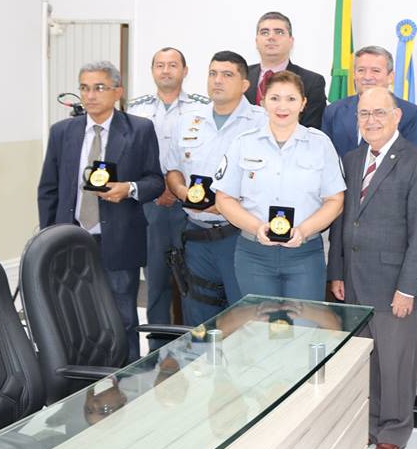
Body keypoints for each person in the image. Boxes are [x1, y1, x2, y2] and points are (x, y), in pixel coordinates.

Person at [328, 87, 417, 449]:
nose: (371, 120)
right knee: (366, 359)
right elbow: (343, 219)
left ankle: (394, 430)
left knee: (396, 362)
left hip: (395, 283)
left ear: (396, 117)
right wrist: (337, 271)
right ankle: (370, 424)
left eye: (379, 113)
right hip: (355, 279)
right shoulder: (352, 157)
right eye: (364, 114)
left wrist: (408, 287)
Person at [38, 61, 164, 362]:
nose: (90, 95)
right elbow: (48, 189)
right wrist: (50, 237)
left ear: (117, 91)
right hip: (70, 241)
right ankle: (81, 382)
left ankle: (128, 381)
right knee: (73, 317)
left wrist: (129, 188)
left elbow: (155, 181)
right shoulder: (62, 132)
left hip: (118, 241)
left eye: (99, 88)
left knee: (123, 318)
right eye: (84, 88)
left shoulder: (139, 130)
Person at [215, 70, 344, 300]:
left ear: (303, 103)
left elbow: (335, 201)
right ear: (263, 102)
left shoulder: (320, 144)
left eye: (291, 99)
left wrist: (303, 231)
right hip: (254, 254)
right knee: (260, 331)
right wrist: (256, 227)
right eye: (275, 98)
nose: (282, 106)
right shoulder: (243, 143)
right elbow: (224, 199)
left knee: (304, 331)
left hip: (304, 254)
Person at [164, 51, 265, 325]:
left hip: (239, 238)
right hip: (196, 237)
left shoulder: (262, 123)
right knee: (198, 322)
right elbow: (173, 169)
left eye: (227, 75)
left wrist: (228, 205)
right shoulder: (187, 120)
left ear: (245, 84)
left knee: (243, 320)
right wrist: (183, 192)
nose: (217, 80)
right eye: (212, 73)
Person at [128, 47, 209, 331]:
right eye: (160, 65)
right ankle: (158, 350)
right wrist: (158, 188)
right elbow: (129, 156)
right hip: (150, 206)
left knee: (194, 280)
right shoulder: (136, 108)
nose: (166, 70)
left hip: (190, 204)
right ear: (152, 71)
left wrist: (176, 188)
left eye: (172, 65)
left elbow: (206, 155)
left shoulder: (203, 107)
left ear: (185, 71)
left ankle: (193, 345)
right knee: (156, 281)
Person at [321, 45, 417, 157]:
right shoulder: (333, 111)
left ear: (390, 77)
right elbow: (324, 157)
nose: (367, 77)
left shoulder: (409, 112)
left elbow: (412, 159)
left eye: (375, 71)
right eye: (361, 70)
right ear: (354, 75)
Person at [244, 11, 327, 129]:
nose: (271, 37)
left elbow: (311, 129)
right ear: (257, 41)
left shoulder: (312, 82)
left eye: (279, 32)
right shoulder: (241, 76)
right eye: (265, 32)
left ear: (291, 41)